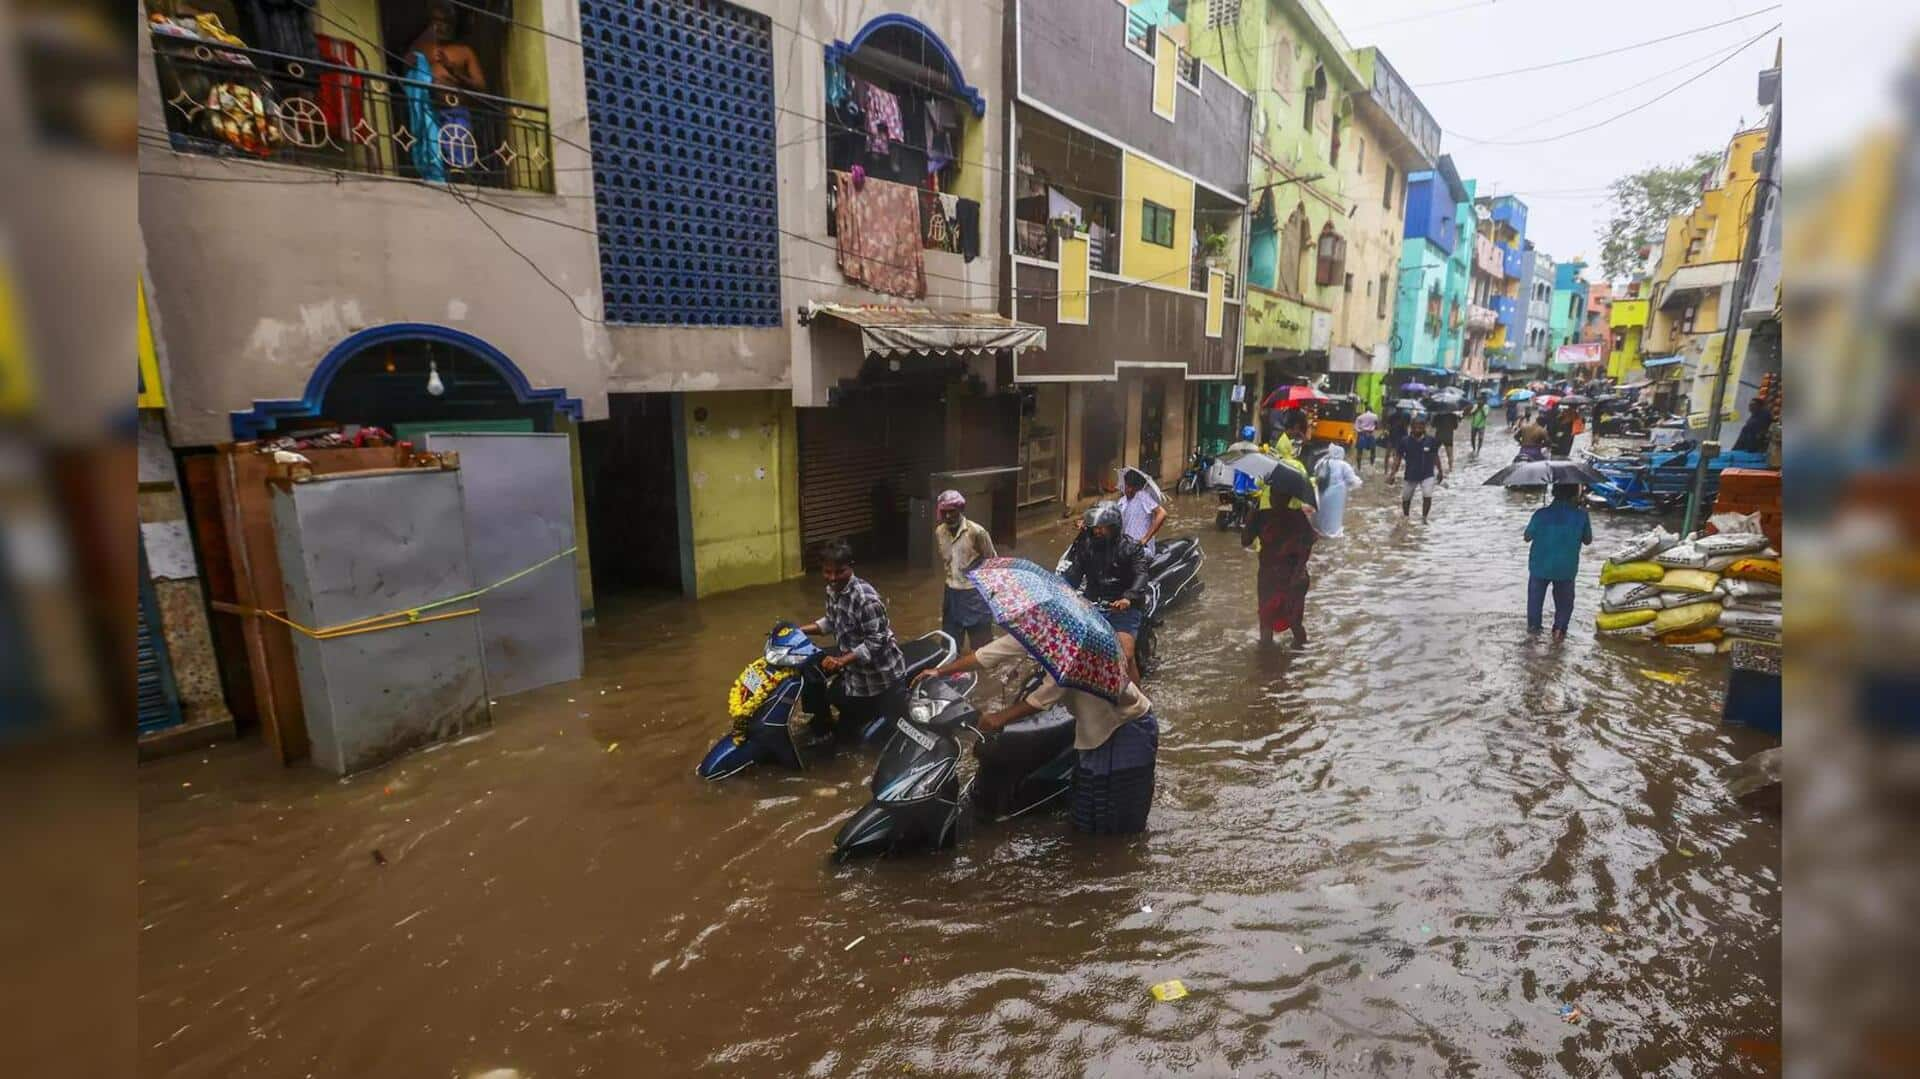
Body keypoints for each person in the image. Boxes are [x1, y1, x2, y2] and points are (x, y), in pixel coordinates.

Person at [918, 635, 1159, 835]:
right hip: (1093, 731)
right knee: (1088, 811)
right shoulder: (1038, 633)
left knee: (1119, 816)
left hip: (1126, 727)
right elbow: (988, 654)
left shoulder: (1074, 651)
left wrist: (999, 718)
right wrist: (940, 672)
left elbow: (1047, 694)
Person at [796, 539, 907, 749]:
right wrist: (798, 630)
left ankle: (838, 734)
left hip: (876, 675)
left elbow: (876, 642)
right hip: (850, 662)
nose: (833, 578)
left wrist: (841, 661)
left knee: (847, 742)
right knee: (809, 669)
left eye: (839, 572)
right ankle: (821, 723)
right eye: (827, 572)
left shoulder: (866, 600)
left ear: (850, 567)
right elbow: (831, 621)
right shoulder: (832, 590)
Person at [1061, 504, 1151, 684]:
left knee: (1125, 655)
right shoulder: (1086, 548)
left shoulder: (1131, 548)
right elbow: (1074, 575)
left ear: (1114, 527)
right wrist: (1061, 589)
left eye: (1102, 528)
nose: (1097, 531)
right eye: (1095, 528)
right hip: (1092, 605)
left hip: (1123, 609)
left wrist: (1128, 598)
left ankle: (1139, 703)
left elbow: (1141, 575)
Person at [1243, 447, 1318, 646]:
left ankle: (1299, 660)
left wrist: (1299, 571)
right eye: (1275, 492)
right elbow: (1245, 541)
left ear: (1288, 496)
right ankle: (1266, 667)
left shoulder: (1297, 517)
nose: (1277, 497)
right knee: (1265, 626)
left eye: (1281, 494)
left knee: (1295, 624)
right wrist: (1250, 516)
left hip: (1292, 577)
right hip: (1268, 578)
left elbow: (1309, 541)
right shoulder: (1260, 515)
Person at [1523, 483, 1594, 641]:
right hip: (1566, 568)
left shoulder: (1541, 514)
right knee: (1564, 603)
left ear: (1554, 492)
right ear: (1574, 494)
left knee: (1535, 602)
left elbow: (1527, 537)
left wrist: (1542, 517)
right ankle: (1559, 633)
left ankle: (1533, 636)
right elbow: (1587, 540)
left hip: (1539, 566)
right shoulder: (1581, 515)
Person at [933, 490, 995, 652]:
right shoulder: (940, 532)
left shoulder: (977, 532)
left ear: (961, 510)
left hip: (974, 593)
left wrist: (991, 594)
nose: (948, 516)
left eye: (952, 512)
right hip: (951, 593)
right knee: (949, 644)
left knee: (982, 648)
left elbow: (992, 562)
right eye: (944, 512)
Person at [1397, 413, 1445, 520]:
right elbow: (1398, 457)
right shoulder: (1405, 441)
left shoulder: (1431, 440)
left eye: (1421, 426)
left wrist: (1440, 471)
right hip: (1410, 474)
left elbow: (1435, 456)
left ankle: (1424, 518)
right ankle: (1406, 517)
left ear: (1424, 427)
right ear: (1411, 427)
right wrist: (1392, 473)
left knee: (1427, 495)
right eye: (1415, 426)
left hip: (1427, 474)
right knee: (1406, 497)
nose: (1418, 428)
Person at [1310, 443, 1362, 538]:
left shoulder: (1321, 462)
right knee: (1333, 519)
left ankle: (1319, 532)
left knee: (1321, 516)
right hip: (1335, 498)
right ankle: (1331, 535)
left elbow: (1315, 474)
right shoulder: (1343, 465)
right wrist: (1359, 482)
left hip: (1321, 494)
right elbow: (1353, 481)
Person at [1118, 467, 1168, 555]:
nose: (1129, 489)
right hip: (1126, 547)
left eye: (1132, 487)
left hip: (1141, 548)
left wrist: (1145, 538)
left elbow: (1162, 513)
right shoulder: (1122, 501)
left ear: (1137, 487)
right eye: (1127, 486)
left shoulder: (1142, 496)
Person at [1384, 404, 1413, 479]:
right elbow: (1408, 425)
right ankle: (1393, 472)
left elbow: (1388, 426)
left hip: (1393, 436)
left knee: (1389, 454)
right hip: (1402, 437)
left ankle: (1386, 471)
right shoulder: (1407, 416)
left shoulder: (1392, 416)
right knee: (1397, 456)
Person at [1432, 406, 1463, 471]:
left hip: (1439, 436)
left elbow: (1433, 425)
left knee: (1433, 452)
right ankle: (1450, 468)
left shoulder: (1437, 415)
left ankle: (1435, 468)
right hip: (1448, 437)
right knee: (1450, 455)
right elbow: (1455, 427)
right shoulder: (1453, 416)